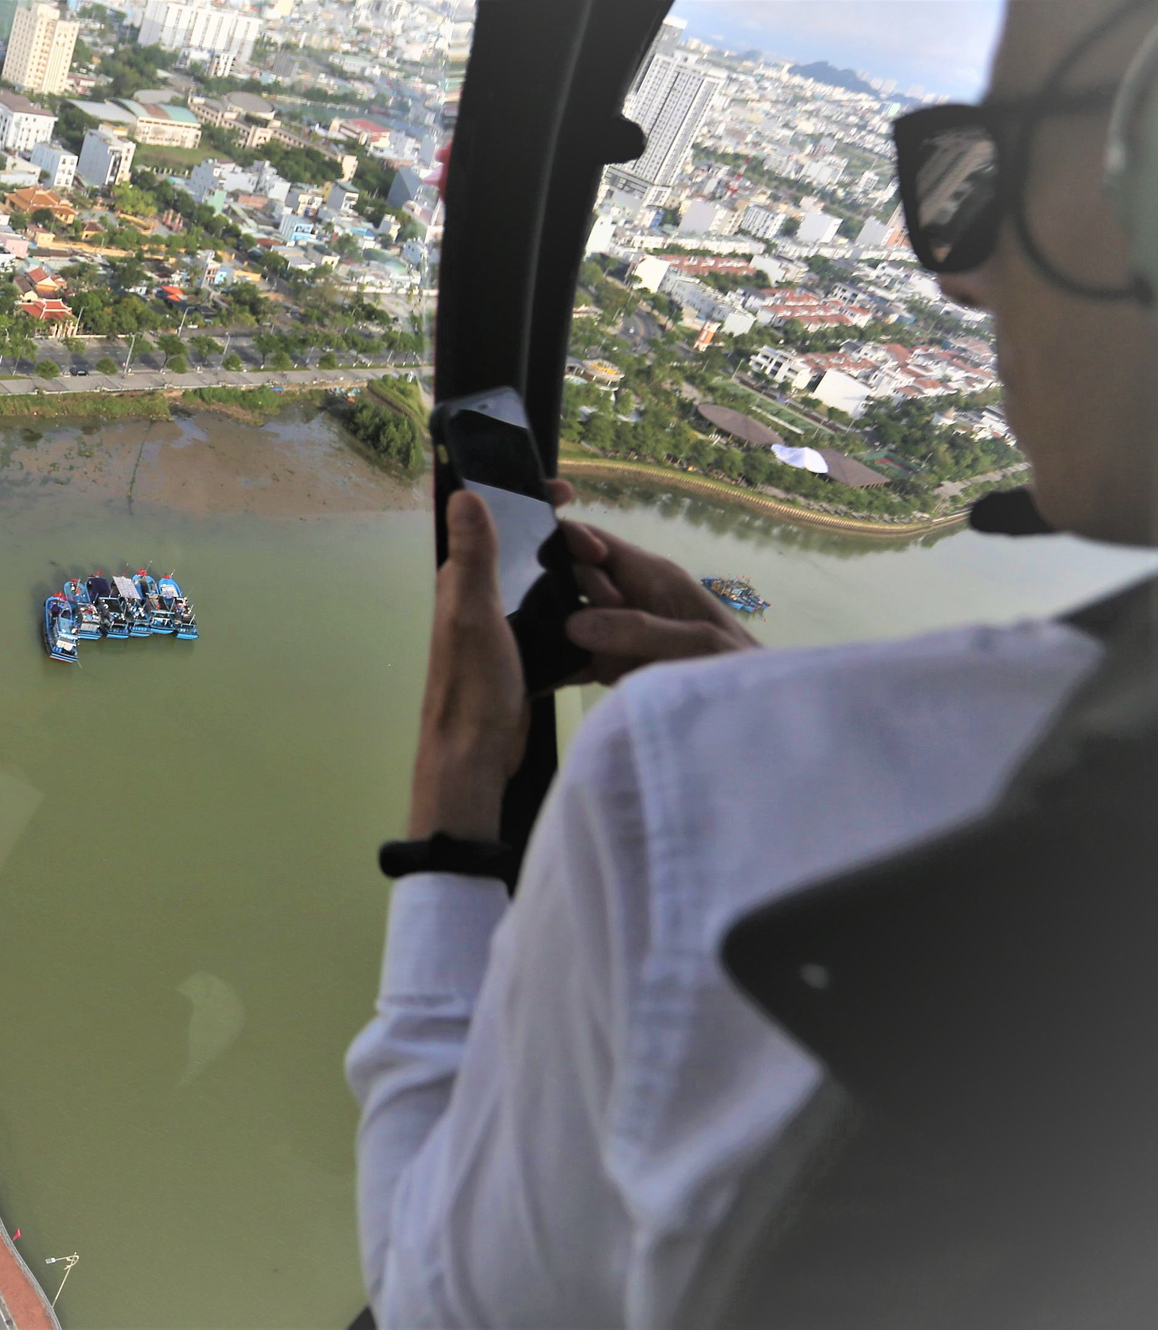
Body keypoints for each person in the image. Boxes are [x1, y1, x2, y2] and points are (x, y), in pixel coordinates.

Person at [344, 2, 1158, 1326]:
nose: (961, 274)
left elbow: (429, 1296)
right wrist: (782, 715)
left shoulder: (681, 797)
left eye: (984, 173)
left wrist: (450, 822)